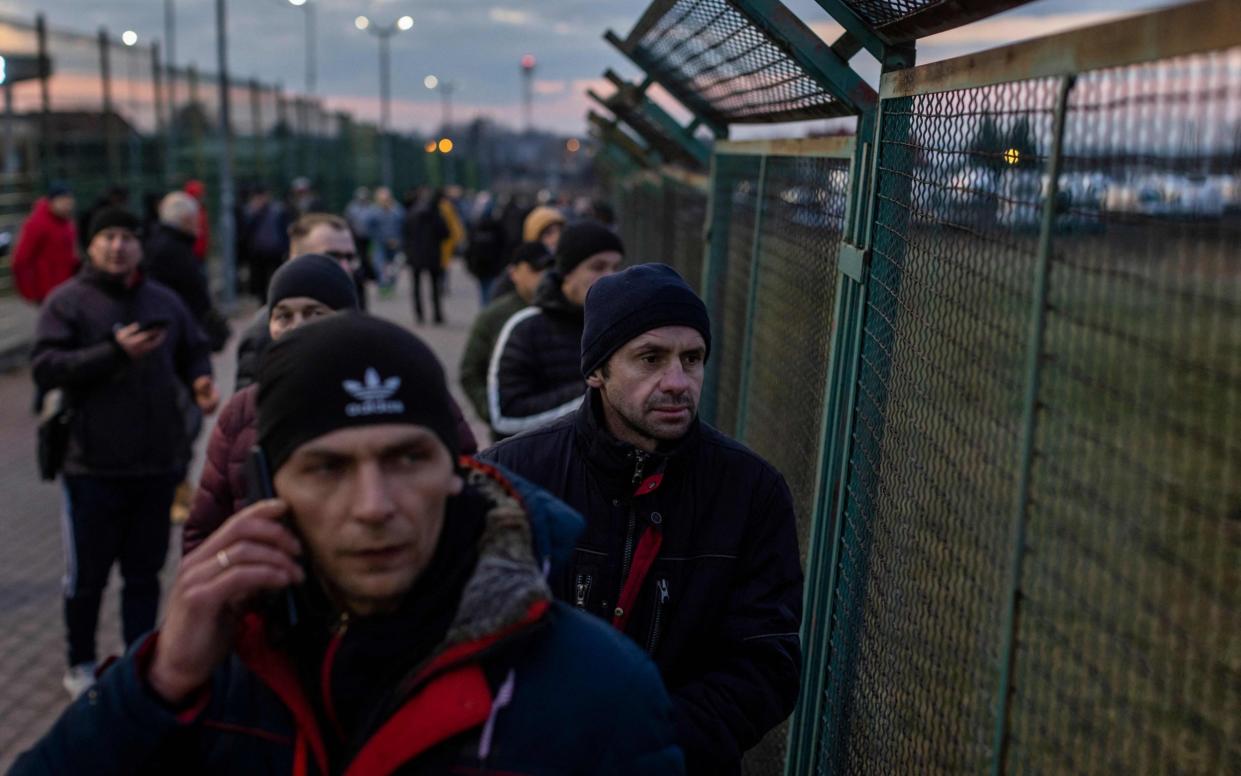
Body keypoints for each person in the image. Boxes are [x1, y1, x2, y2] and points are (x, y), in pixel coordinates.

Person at [13, 314, 684, 776]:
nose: (373, 507)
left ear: (458, 474)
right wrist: (154, 685)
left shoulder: (599, 693)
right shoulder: (211, 672)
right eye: (328, 468)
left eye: (405, 459)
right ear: (268, 485)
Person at [480, 264, 803, 775]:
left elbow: (765, 661)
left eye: (692, 359)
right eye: (650, 358)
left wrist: (643, 741)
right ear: (596, 370)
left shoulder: (751, 492)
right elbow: (470, 641)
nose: (677, 382)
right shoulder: (510, 477)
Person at [30, 207, 219, 700]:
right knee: (87, 578)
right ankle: (81, 663)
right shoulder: (68, 302)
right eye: (107, 237)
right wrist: (113, 354)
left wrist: (200, 379)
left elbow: (194, 348)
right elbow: (46, 366)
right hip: (90, 467)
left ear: (140, 245)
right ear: (90, 246)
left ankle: (137, 663)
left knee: (144, 576)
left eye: (127, 238)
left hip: (157, 465)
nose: (117, 246)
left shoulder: (163, 300)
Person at [183, 254, 360, 556]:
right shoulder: (242, 410)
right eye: (283, 316)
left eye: (314, 312)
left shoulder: (389, 391)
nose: (297, 327)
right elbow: (204, 530)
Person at [486, 221, 622, 438]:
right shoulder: (525, 328)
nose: (611, 277)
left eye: (616, 267)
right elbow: (506, 416)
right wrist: (596, 393)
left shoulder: (622, 327)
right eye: (598, 267)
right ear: (567, 272)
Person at [234, 214, 361, 391]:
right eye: (332, 257)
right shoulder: (264, 334)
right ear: (295, 258)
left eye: (350, 257)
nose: (346, 267)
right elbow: (249, 411)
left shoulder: (353, 314)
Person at [459, 241, 551, 431]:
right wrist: (491, 410)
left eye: (548, 268)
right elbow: (470, 372)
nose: (542, 276)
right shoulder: (494, 316)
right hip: (509, 433)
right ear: (514, 273)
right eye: (535, 269)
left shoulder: (561, 312)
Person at [11, 182, 78, 304]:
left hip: (66, 287)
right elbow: (21, 260)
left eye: (69, 201)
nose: (67, 205)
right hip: (46, 290)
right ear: (51, 202)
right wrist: (29, 292)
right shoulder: (37, 223)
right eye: (63, 201)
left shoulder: (67, 224)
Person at [403, 189, 452, 325]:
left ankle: (419, 314)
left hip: (415, 254)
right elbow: (446, 233)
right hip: (433, 254)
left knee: (416, 286)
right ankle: (437, 314)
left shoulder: (411, 214)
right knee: (435, 287)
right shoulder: (436, 214)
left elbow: (405, 234)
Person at [239, 186, 291, 302]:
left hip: (275, 251)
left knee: (275, 278)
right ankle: (263, 302)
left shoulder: (278, 210)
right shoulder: (251, 211)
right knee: (260, 280)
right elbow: (246, 231)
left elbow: (284, 230)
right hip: (258, 252)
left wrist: (286, 248)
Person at [366, 186, 404, 292]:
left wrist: (397, 240)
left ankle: (391, 285)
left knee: (395, 267)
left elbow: (403, 226)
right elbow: (368, 227)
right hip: (380, 243)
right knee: (379, 265)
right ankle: (382, 286)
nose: (385, 201)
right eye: (382, 199)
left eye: (387, 198)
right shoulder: (373, 211)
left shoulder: (397, 210)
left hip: (395, 243)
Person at [343, 186, 374, 302]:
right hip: (355, 240)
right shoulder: (352, 208)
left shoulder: (371, 208)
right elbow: (348, 222)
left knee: (366, 259)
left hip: (368, 239)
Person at [183, 179, 210, 261]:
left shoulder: (201, 209)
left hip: (200, 252)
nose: (202, 197)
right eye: (199, 194)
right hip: (192, 253)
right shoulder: (187, 211)